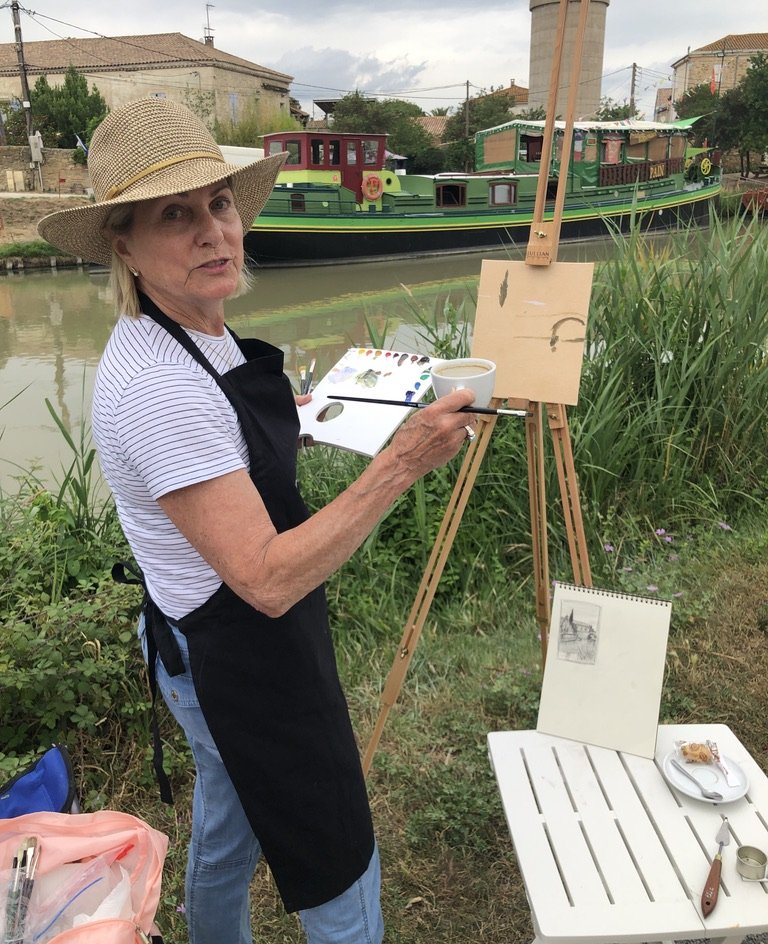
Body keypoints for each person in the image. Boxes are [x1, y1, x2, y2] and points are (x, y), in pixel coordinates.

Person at [38, 98, 478, 944]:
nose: (214, 232)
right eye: (176, 214)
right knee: (333, 846)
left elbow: (230, 428)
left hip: (190, 630)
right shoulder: (158, 387)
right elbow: (268, 580)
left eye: (219, 203)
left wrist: (321, 410)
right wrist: (403, 459)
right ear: (122, 245)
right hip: (234, 653)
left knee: (229, 816)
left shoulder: (193, 332)